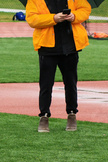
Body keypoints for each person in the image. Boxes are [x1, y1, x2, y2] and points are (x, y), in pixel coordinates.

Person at [26, 0, 91, 132]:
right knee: (45, 85)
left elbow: (85, 9)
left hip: (70, 46)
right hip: (47, 47)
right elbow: (32, 19)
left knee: (71, 83)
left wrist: (74, 16)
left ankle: (72, 114)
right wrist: (53, 18)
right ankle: (44, 116)